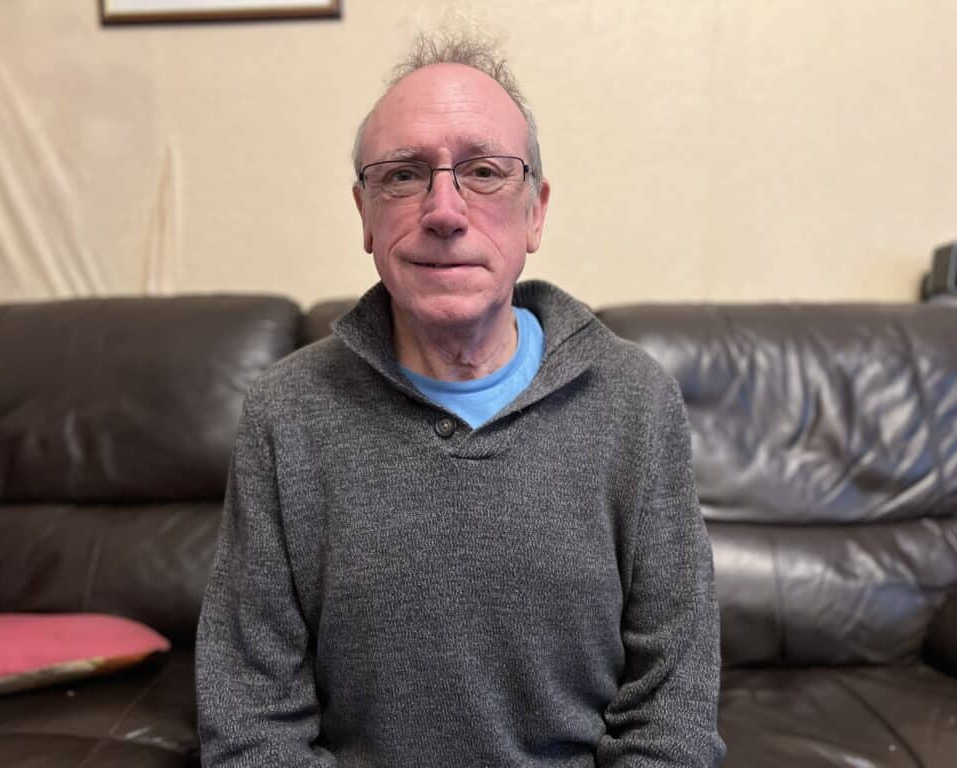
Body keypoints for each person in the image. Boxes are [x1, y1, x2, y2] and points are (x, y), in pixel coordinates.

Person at [195, 32, 725, 767]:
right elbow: (252, 721)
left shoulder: (635, 403)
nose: (444, 210)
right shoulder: (285, 416)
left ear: (536, 211)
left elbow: (673, 714)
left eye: (482, 171)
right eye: (405, 176)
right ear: (364, 215)